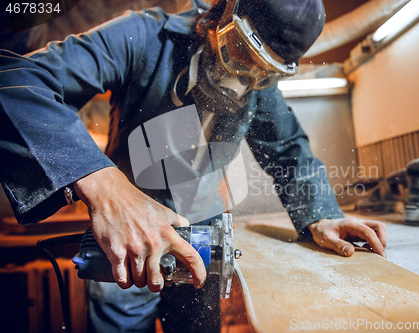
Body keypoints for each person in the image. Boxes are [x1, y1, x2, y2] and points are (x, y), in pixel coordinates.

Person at [0, 0, 387, 331]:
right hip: (129, 236)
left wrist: (321, 214)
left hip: (203, 243)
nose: (243, 76)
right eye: (240, 50)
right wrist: (108, 190)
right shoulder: (144, 37)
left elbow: (288, 149)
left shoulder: (256, 84)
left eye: (263, 72)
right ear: (223, 12)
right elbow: (15, 79)